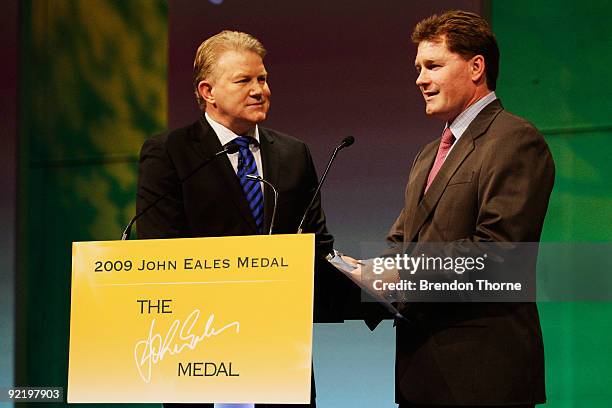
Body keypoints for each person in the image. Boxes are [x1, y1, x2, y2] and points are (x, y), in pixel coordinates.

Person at [355, 10, 554, 408]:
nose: (420, 79)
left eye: (434, 65)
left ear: (476, 66)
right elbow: (403, 241)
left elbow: (500, 254)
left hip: (484, 376)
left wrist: (402, 271)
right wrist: (361, 273)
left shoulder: (515, 140)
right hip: (421, 375)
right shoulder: (429, 154)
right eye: (418, 68)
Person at [137, 30, 335, 408]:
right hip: (198, 352)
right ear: (208, 91)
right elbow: (158, 251)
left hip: (280, 355)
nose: (260, 89)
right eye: (244, 80)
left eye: (262, 78)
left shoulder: (294, 153)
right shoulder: (170, 153)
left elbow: (316, 243)